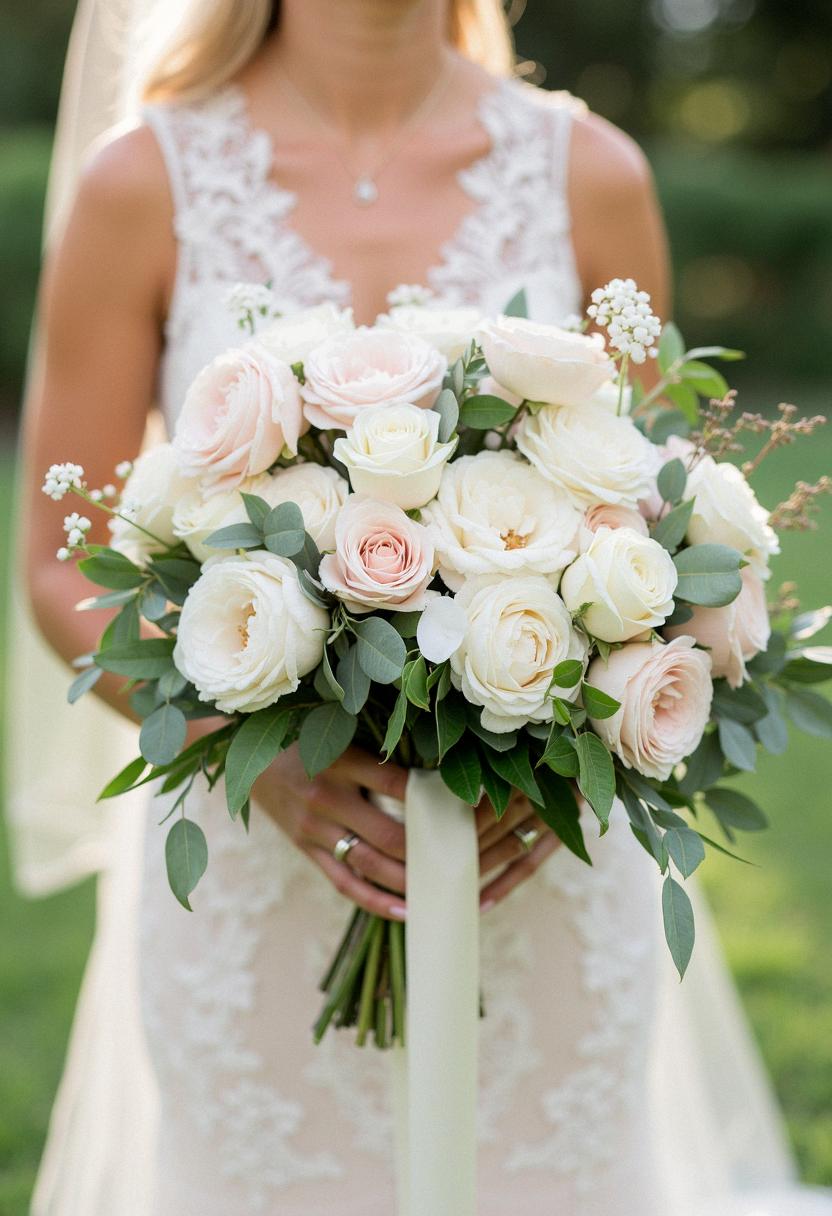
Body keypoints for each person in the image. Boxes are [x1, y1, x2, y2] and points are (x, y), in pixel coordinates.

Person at [15, 1, 831, 1212]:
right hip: (255, 885)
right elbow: (57, 564)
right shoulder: (143, 181)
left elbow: (651, 529)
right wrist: (256, 753)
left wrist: (574, 757)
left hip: (543, 874)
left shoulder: (590, 173)